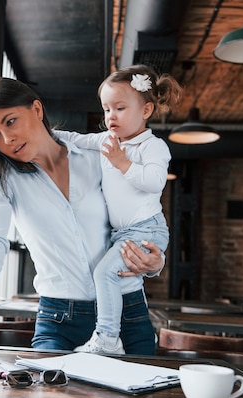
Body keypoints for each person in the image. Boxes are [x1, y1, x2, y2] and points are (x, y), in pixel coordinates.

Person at [0, 77, 164, 357]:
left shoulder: (98, 155)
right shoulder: (3, 177)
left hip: (128, 311)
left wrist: (155, 261)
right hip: (60, 320)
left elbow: (140, 214)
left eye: (10, 121)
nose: (7, 139)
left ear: (36, 110)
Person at [60, 65, 182, 354]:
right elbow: (76, 139)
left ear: (146, 110)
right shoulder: (106, 141)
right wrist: (44, 132)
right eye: (106, 109)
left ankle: (108, 337)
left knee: (104, 274)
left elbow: (154, 182)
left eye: (120, 108)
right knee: (111, 275)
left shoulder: (152, 146)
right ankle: (113, 334)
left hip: (146, 228)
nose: (111, 116)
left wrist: (121, 162)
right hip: (123, 233)